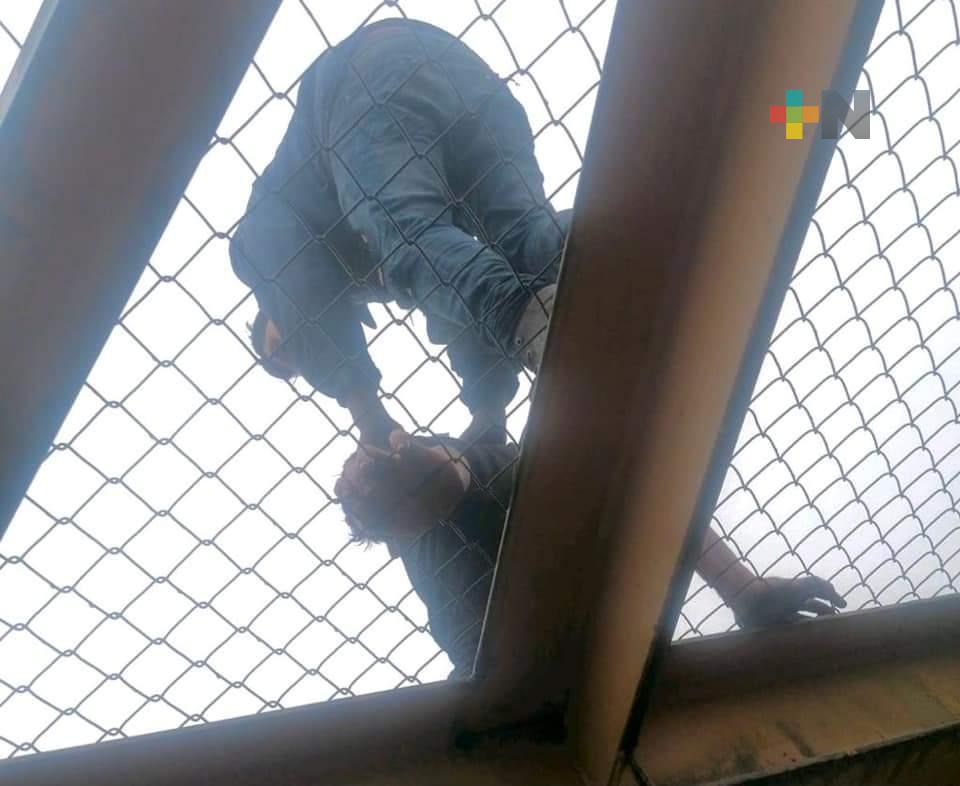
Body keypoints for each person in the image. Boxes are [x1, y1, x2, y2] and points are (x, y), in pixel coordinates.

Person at [230, 19, 566, 447]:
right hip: (459, 73)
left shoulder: (259, 241)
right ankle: (602, 248)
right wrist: (489, 412)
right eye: (291, 366)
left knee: (406, 243)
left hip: (367, 84)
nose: (295, 358)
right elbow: (448, 294)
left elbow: (307, 302)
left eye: (280, 347)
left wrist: (370, 419)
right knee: (524, 240)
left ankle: (542, 327)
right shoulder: (356, 257)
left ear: (272, 307)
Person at [335, 432, 847, 678]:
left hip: (567, 633)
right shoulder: (435, 555)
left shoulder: (472, 461)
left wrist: (744, 590)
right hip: (510, 670)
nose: (358, 467)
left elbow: (450, 473)